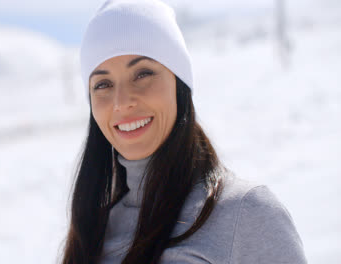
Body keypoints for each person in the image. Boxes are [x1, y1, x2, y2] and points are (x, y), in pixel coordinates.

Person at [61, 0, 307, 263]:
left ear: (179, 84)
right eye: (103, 84)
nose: (122, 102)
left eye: (143, 74)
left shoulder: (246, 214)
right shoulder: (93, 231)